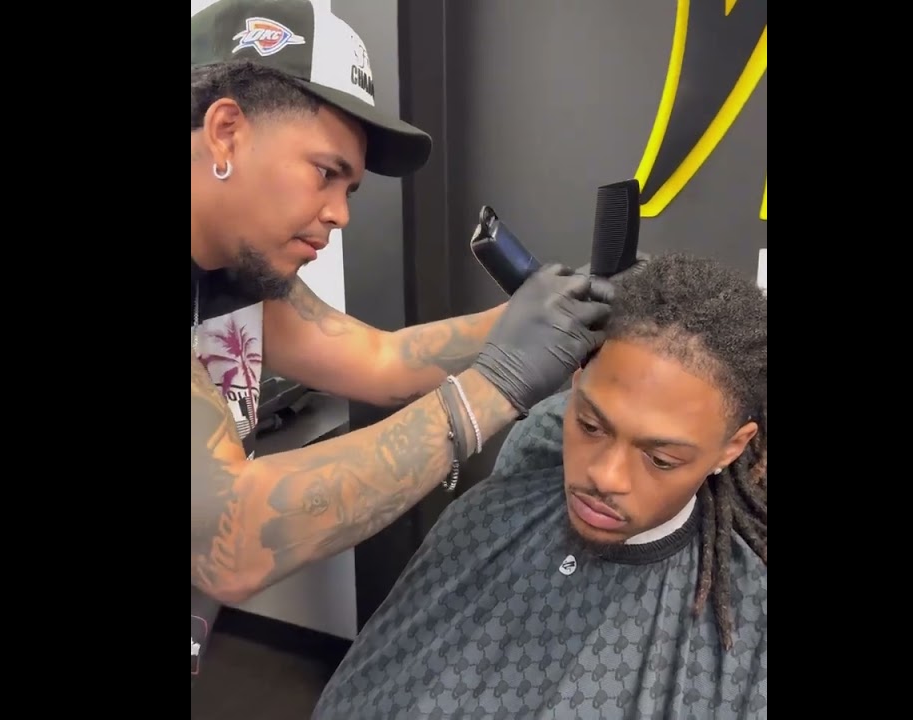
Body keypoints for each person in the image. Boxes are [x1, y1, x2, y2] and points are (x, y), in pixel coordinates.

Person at [190, 0, 623, 685]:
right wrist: (494, 387)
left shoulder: (233, 271)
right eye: (325, 172)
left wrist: (549, 311)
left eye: (350, 188)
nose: (339, 214)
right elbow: (230, 536)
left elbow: (380, 360)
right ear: (226, 132)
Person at [311, 253, 768, 720]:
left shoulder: (751, 621)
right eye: (590, 425)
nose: (605, 476)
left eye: (660, 459)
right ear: (576, 384)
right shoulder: (487, 514)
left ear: (731, 447)